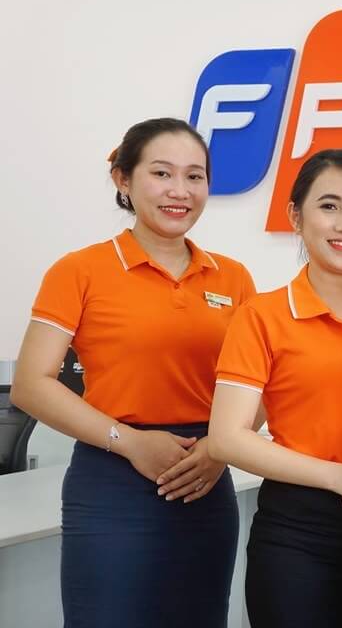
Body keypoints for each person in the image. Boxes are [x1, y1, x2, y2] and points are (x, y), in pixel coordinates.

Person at [10, 117, 256, 628]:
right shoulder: (80, 270)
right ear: (123, 179)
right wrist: (131, 443)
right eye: (162, 173)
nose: (180, 191)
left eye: (194, 176)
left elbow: (259, 386)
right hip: (112, 474)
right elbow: (31, 384)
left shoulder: (233, 277)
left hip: (204, 477)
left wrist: (218, 450)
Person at [207, 149, 342, 626]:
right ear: (296, 216)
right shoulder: (262, 316)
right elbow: (227, 437)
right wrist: (340, 477)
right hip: (298, 535)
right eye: (329, 206)